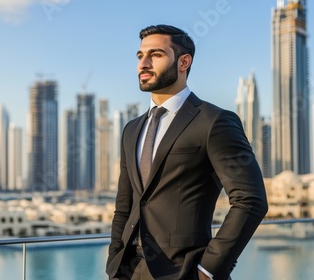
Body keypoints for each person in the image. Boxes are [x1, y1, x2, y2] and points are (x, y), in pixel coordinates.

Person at [106, 24, 268, 280]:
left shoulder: (214, 121)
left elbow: (251, 200)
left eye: (156, 55)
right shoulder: (131, 129)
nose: (143, 64)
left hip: (185, 271)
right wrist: (114, 262)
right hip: (127, 270)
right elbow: (124, 206)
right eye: (140, 56)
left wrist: (208, 270)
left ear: (184, 62)